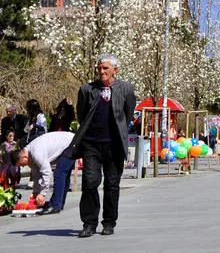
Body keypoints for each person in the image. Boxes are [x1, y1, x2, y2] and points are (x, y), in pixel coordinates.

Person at [75, 54, 136, 237]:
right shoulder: (87, 89)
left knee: (112, 184)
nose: (101, 71)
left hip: (114, 145)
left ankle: (109, 222)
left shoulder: (126, 89)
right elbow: (81, 113)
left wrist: (120, 132)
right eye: (99, 68)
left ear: (115, 70)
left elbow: (128, 114)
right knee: (90, 182)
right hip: (91, 144)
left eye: (105, 68)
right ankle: (89, 223)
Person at [9, 131, 76, 214]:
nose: (22, 166)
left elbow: (47, 172)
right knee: (63, 174)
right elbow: (37, 176)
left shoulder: (35, 153)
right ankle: (59, 204)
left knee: (59, 173)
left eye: (21, 164)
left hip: (71, 142)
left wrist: (43, 194)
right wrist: (36, 193)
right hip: (69, 143)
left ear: (24, 157)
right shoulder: (30, 156)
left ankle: (55, 205)